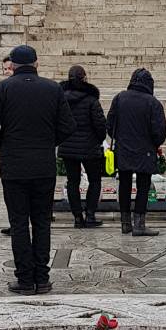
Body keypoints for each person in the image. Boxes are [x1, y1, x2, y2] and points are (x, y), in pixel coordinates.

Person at [0, 45, 76, 295]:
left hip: (14, 166)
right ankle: (42, 278)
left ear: (12, 65)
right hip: (43, 165)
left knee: (19, 223)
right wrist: (48, 142)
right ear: (36, 63)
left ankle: (25, 279)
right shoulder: (53, 88)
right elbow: (68, 125)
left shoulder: (3, 88)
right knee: (42, 222)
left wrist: (2, 144)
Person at [106, 68, 166, 237]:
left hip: (124, 149)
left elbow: (110, 124)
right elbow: (159, 131)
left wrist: (120, 139)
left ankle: (125, 223)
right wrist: (154, 144)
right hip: (145, 151)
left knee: (124, 185)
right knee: (143, 186)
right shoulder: (153, 103)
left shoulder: (119, 98)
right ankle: (139, 225)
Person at [58, 65, 107, 228]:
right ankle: (90, 215)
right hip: (89, 146)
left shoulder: (61, 99)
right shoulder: (91, 99)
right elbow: (100, 124)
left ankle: (78, 217)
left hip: (68, 146)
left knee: (73, 181)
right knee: (95, 180)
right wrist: (99, 140)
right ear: (84, 78)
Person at [0, 56, 14, 237]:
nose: (6, 72)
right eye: (4, 69)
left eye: (9, 68)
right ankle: (15, 223)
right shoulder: (2, 90)